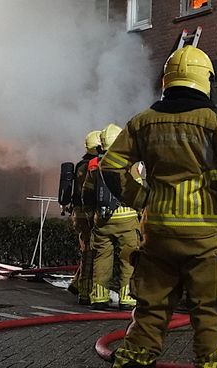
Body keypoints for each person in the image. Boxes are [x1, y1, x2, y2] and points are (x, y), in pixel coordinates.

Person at [102, 45, 217, 368]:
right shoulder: (215, 120)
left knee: (152, 307)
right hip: (203, 237)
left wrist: (142, 198)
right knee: (207, 308)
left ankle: (133, 359)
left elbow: (111, 167)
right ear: (205, 80)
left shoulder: (142, 121)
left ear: (168, 80)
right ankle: (215, 364)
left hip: (157, 233)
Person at [87, 123, 141, 309]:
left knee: (102, 258)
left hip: (102, 220)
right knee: (128, 258)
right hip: (127, 218)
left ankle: (99, 298)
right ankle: (127, 297)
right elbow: (138, 189)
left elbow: (87, 193)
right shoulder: (128, 164)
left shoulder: (95, 167)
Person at [68, 129, 105, 304]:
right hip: (88, 215)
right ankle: (84, 292)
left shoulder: (82, 165)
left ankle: (77, 285)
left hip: (79, 214)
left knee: (88, 251)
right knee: (91, 253)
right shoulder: (93, 165)